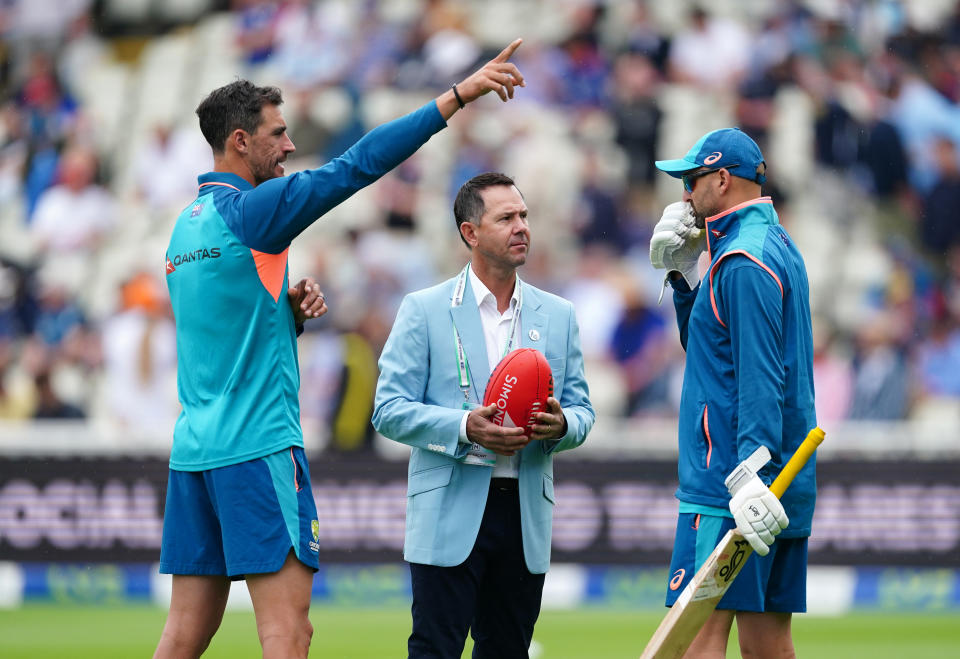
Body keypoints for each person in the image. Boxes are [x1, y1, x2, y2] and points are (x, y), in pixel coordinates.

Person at [155, 39, 528, 659]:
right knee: (288, 631)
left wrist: (285, 317)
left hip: (194, 451)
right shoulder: (253, 212)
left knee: (184, 634)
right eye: (278, 134)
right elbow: (355, 167)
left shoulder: (186, 223)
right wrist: (458, 95)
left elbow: (219, 330)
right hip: (257, 448)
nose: (290, 146)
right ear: (240, 143)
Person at [372, 172, 595, 658]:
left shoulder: (558, 314)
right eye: (506, 218)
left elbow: (583, 411)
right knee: (434, 649)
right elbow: (387, 410)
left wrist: (562, 427)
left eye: (525, 216)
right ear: (470, 233)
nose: (522, 228)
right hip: (448, 508)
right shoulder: (423, 309)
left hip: (523, 513)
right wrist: (461, 427)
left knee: (508, 651)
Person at [649, 128, 817, 658]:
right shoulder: (769, 245)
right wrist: (680, 274)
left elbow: (759, 378)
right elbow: (713, 350)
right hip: (777, 479)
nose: (684, 196)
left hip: (732, 483)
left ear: (721, 180)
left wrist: (749, 474)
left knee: (698, 641)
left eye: (692, 180)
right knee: (768, 643)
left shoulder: (743, 260)